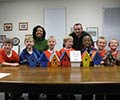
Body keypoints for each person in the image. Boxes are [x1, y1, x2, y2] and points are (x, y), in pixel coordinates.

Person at [20, 35, 41, 100]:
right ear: (25, 43)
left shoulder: (36, 50)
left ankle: (36, 95)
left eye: (30, 41)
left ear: (33, 43)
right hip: (27, 72)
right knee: (29, 85)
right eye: (27, 41)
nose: (29, 43)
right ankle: (30, 95)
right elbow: (21, 61)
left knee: (36, 84)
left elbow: (39, 59)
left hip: (36, 72)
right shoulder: (23, 52)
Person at [59, 35, 76, 100]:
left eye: (72, 42)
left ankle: (72, 94)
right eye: (69, 41)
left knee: (71, 83)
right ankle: (64, 95)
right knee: (63, 83)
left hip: (71, 70)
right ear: (65, 42)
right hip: (62, 70)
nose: (71, 43)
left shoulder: (74, 50)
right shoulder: (61, 50)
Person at [81, 35, 97, 100]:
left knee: (90, 86)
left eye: (88, 40)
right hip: (83, 71)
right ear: (82, 42)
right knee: (84, 85)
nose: (87, 42)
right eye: (85, 41)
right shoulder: (81, 50)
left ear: (91, 41)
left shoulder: (94, 50)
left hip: (92, 71)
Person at [44, 36, 60, 100]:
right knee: (49, 86)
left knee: (55, 85)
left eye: (53, 42)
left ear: (55, 43)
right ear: (47, 43)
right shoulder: (45, 53)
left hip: (56, 72)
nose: (51, 43)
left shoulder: (58, 52)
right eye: (50, 42)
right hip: (47, 73)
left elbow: (59, 62)